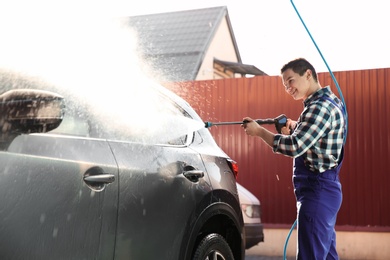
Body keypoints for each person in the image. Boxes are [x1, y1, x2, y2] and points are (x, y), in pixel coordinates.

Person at [242, 58, 346, 259]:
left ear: (308, 74)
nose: (288, 88)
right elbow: (316, 140)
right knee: (326, 255)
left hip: (318, 192)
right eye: (284, 84)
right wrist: (296, 127)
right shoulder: (328, 102)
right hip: (326, 191)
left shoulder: (319, 107)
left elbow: (295, 146)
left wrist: (259, 132)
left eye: (290, 81)